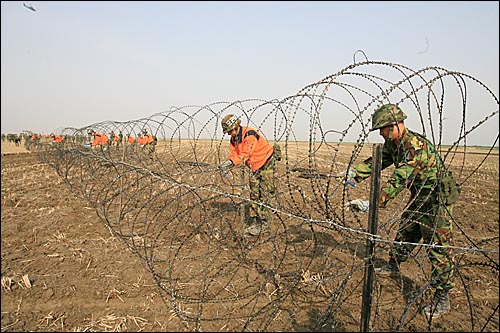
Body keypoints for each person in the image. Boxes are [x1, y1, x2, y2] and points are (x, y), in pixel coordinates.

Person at [336, 103, 461, 319]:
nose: (381, 133)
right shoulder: (394, 145)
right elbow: (376, 162)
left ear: (395, 125)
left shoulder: (415, 147)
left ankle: (443, 294)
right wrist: (353, 173)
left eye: (383, 128)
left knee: (437, 244)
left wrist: (373, 204)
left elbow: (397, 179)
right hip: (421, 194)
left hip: (436, 196)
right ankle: (394, 264)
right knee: (408, 229)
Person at [219, 114, 279, 236]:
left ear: (236, 126)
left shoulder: (249, 134)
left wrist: (232, 162)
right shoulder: (234, 139)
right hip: (254, 166)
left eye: (230, 130)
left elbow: (246, 153)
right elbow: (234, 154)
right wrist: (229, 162)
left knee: (265, 193)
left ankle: (265, 223)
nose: (230, 134)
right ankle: (258, 219)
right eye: (228, 132)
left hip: (266, 163)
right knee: (255, 194)